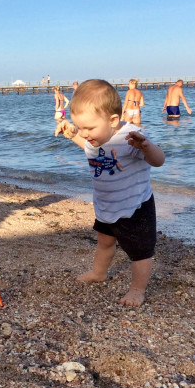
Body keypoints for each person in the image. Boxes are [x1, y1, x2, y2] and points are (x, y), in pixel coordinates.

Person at [54, 79, 165, 307]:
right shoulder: (95, 138)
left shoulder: (131, 137)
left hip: (135, 207)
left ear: (113, 120)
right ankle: (99, 272)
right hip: (106, 205)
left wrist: (146, 147)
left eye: (89, 128)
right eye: (80, 127)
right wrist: (72, 134)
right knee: (104, 241)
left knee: (140, 252)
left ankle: (137, 289)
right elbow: (90, 149)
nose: (84, 133)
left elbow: (159, 161)